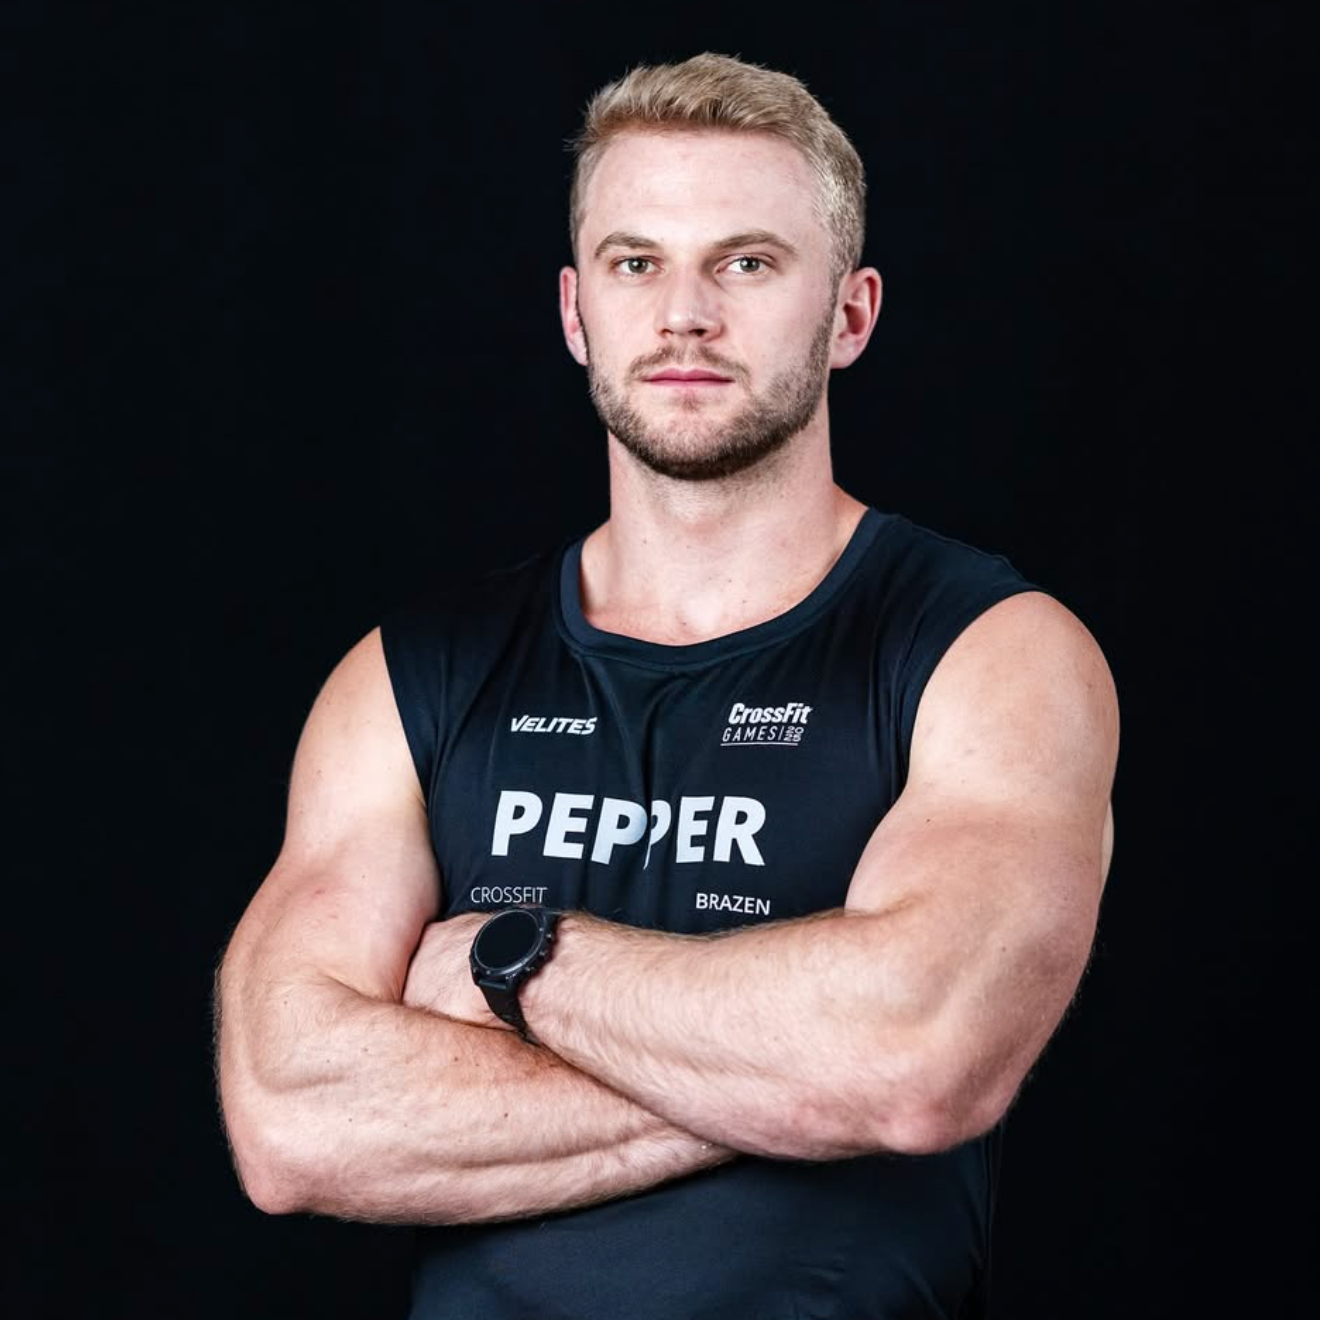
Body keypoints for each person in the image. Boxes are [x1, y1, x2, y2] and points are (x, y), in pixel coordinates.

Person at [213, 50, 1119, 1319]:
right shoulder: (414, 676)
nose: (685, 315)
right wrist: (793, 1071)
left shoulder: (987, 650)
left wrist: (512, 963)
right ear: (577, 312)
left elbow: (917, 1058)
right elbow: (291, 1122)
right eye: (636, 263)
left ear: (849, 315)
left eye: (746, 263)